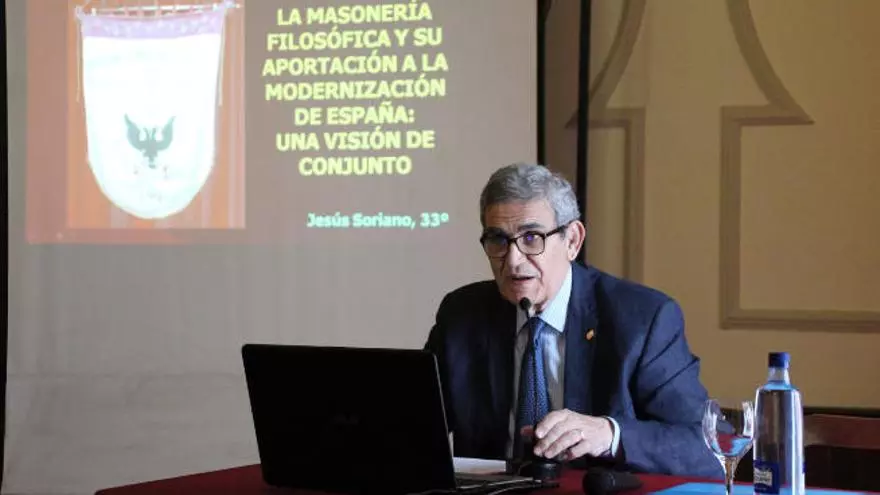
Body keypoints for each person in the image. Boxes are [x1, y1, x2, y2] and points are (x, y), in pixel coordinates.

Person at [424, 163, 722, 478]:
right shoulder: (462, 315)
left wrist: (610, 435)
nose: (512, 260)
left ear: (572, 241)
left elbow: (706, 446)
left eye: (531, 238)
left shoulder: (643, 319)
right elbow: (414, 424)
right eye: (498, 239)